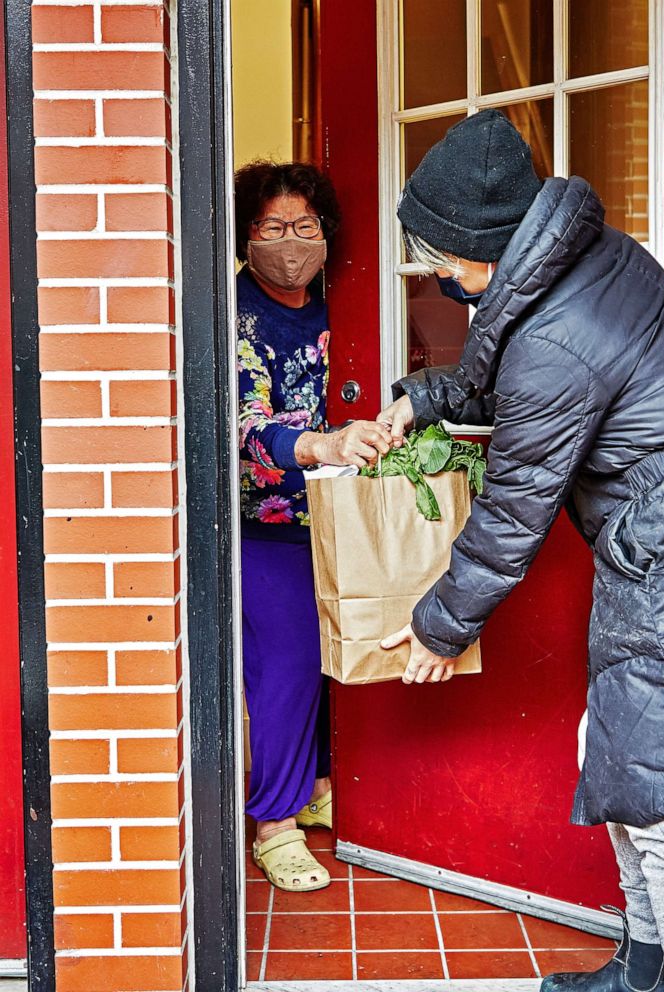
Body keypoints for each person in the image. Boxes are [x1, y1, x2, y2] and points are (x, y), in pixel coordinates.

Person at [377, 110, 664, 992]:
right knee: (625, 753)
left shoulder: (555, 334)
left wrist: (438, 626)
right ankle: (646, 969)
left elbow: (513, 512)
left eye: (436, 256)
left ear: (482, 248)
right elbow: (508, 375)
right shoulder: (575, 262)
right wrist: (428, 399)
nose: (431, 271)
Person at [235, 161, 391, 892]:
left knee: (336, 652)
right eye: (273, 228)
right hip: (261, 521)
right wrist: (320, 446)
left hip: (339, 512)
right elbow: (246, 423)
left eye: (305, 226)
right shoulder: (235, 313)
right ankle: (273, 823)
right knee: (288, 666)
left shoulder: (346, 302)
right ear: (246, 234)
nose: (291, 242)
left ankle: (318, 783)